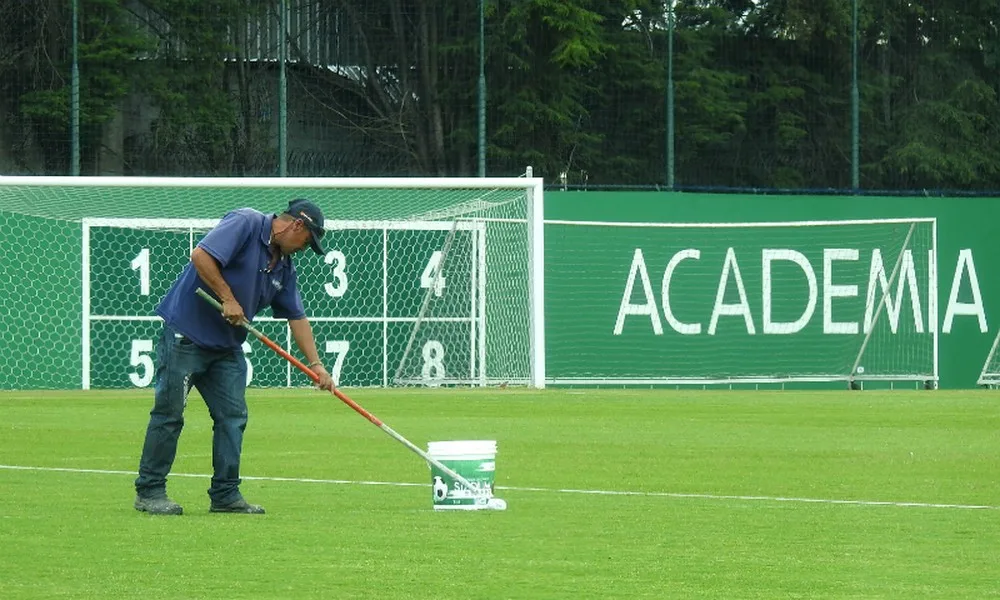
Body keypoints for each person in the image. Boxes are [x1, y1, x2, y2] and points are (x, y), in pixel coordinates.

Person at [134, 199, 335, 515]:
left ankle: (226, 495)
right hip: (186, 335)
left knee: (233, 417)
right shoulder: (246, 222)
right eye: (307, 241)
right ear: (297, 225)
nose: (304, 248)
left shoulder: (284, 266)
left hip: (226, 349)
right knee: (170, 413)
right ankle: (149, 492)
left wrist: (316, 365)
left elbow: (297, 317)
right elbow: (200, 255)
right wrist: (227, 298)